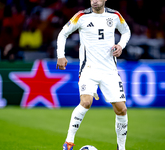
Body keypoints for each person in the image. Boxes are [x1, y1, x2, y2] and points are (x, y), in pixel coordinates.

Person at [56, 0, 131, 150]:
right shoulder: (81, 16)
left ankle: (121, 148)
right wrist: (60, 55)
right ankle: (68, 142)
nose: (94, 1)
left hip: (109, 70)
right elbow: (63, 33)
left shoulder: (115, 15)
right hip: (88, 69)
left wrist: (120, 46)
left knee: (121, 109)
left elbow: (126, 31)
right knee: (86, 102)